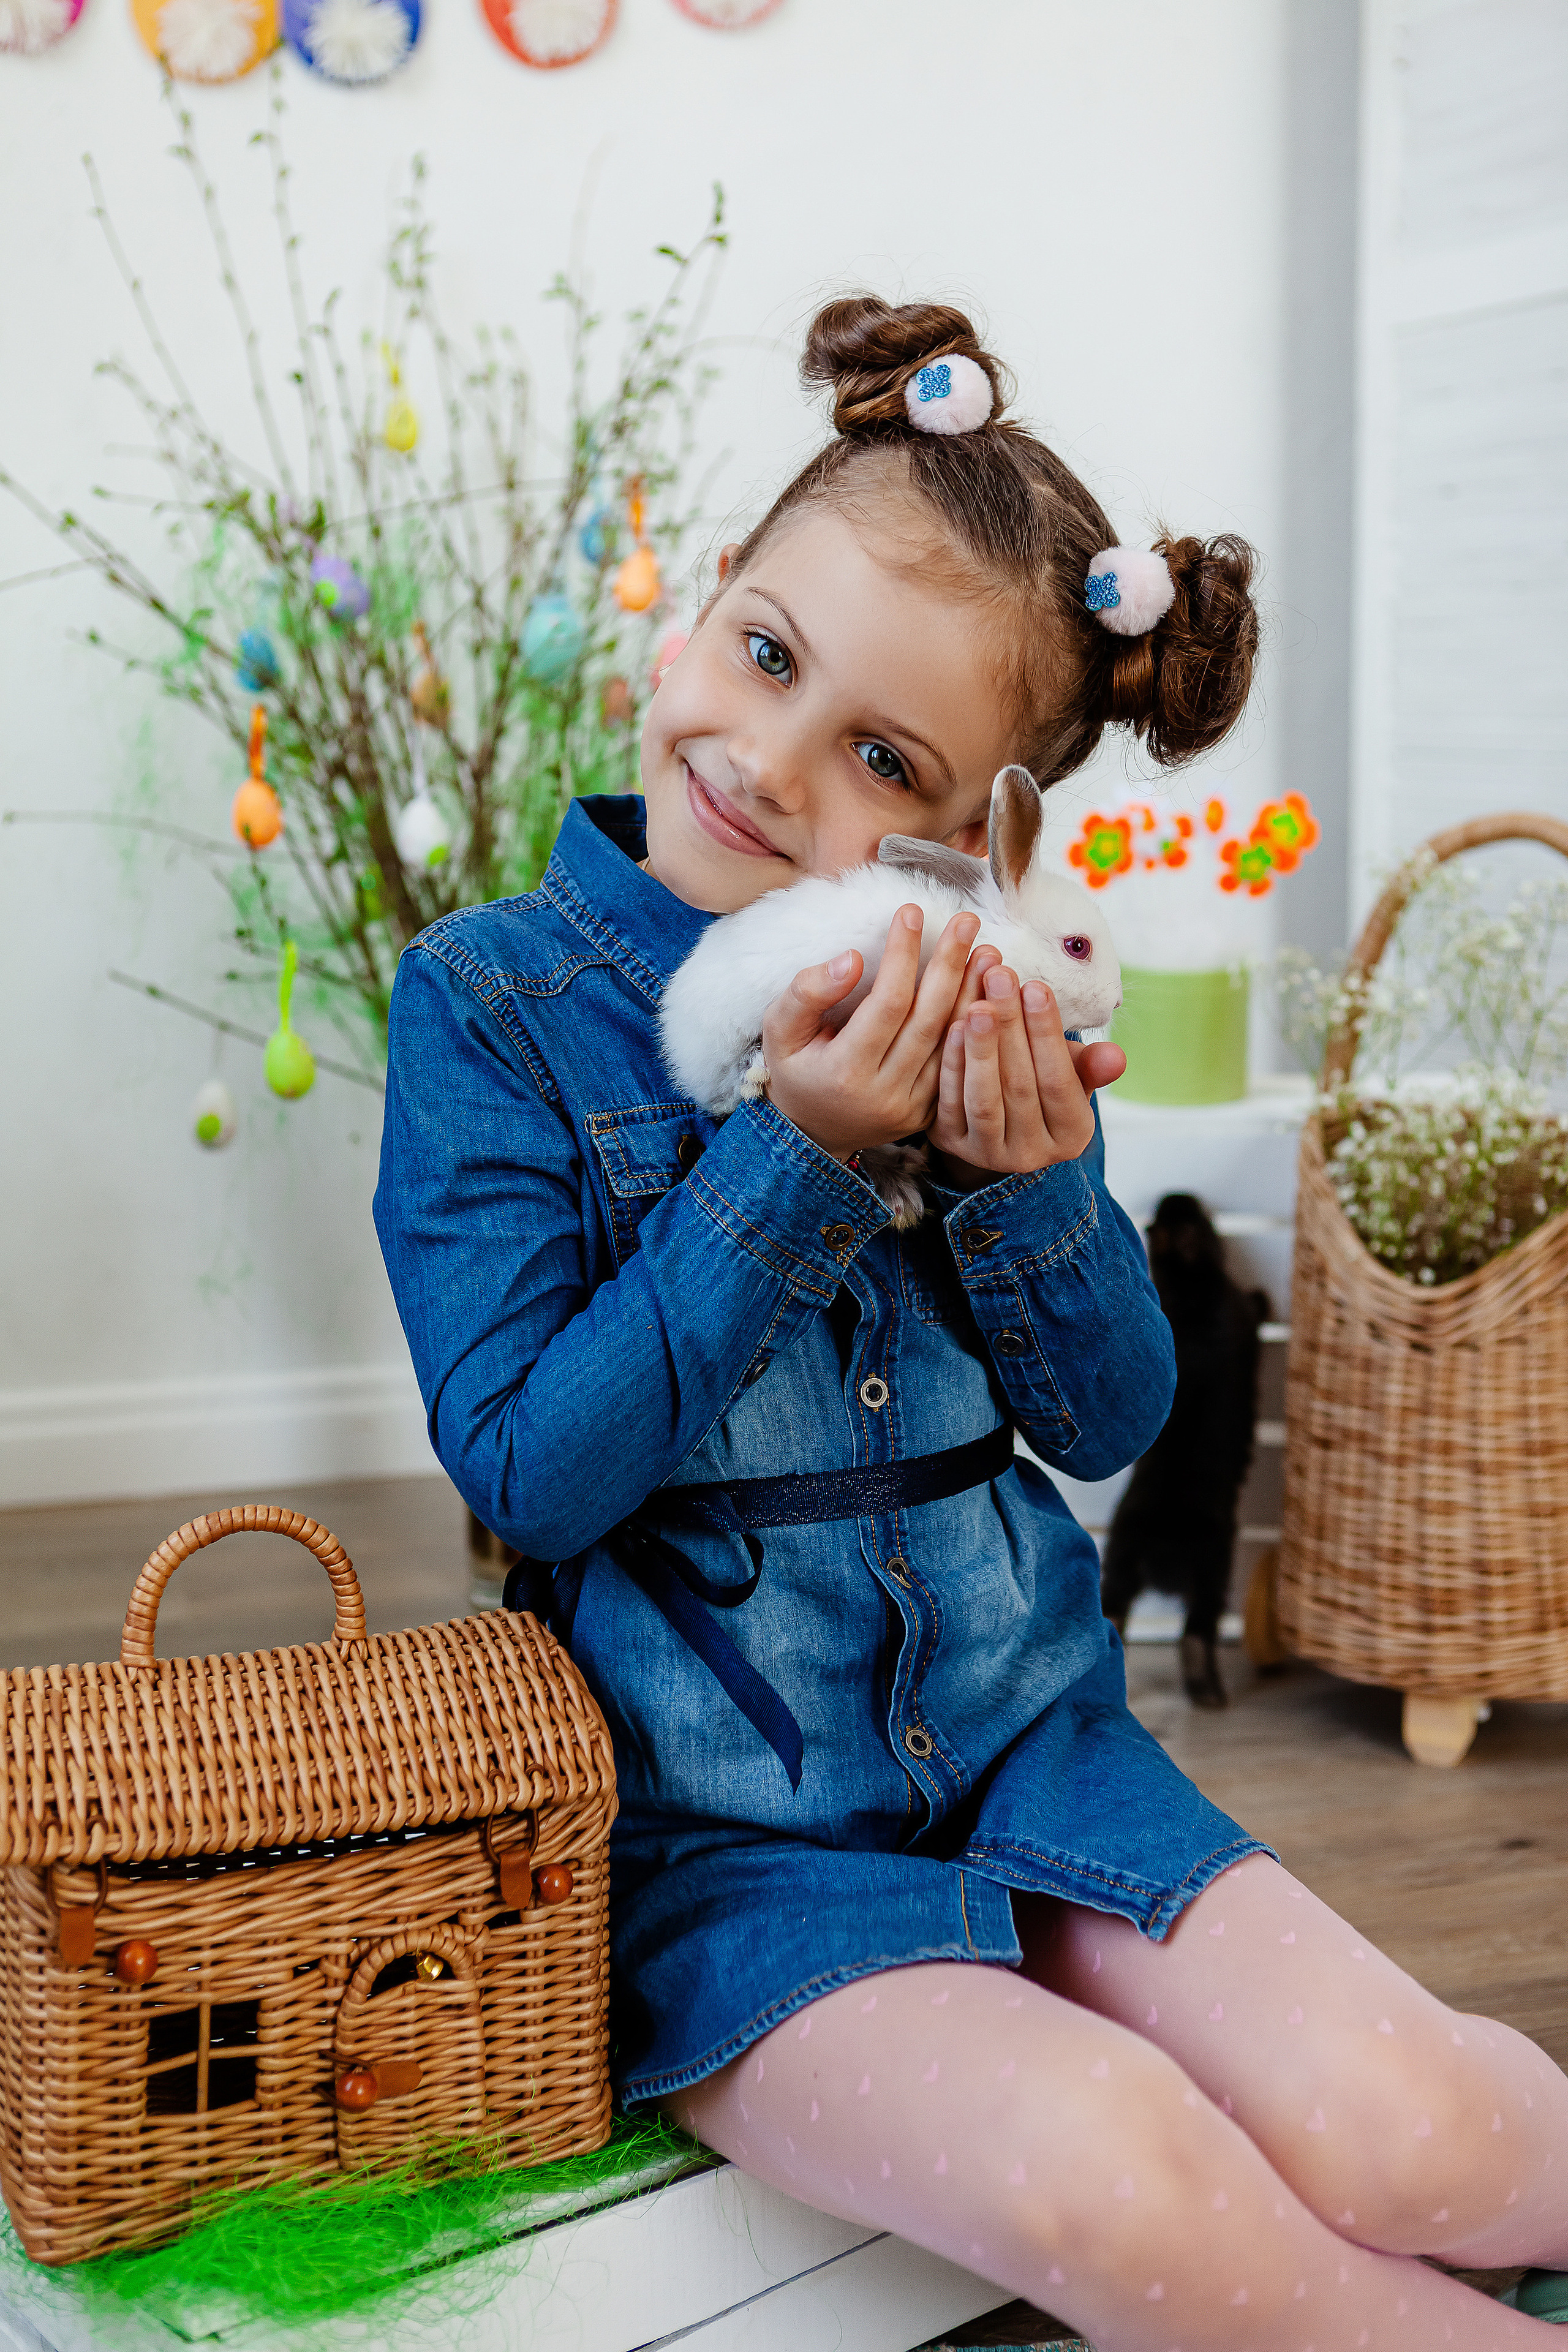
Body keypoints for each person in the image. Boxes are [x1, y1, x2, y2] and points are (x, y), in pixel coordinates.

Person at [375, 297, 1568, 2348]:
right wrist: (799, 1167)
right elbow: (527, 1473)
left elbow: (1110, 1422)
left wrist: (1025, 1189)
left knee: (1423, 2133)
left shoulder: (981, 1005)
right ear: (688, 623)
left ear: (970, 837)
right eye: (766, 654)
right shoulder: (488, 1006)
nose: (767, 761)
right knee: (1128, 2175)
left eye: (883, 760)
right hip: (727, 1859)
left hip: (1041, 1753)